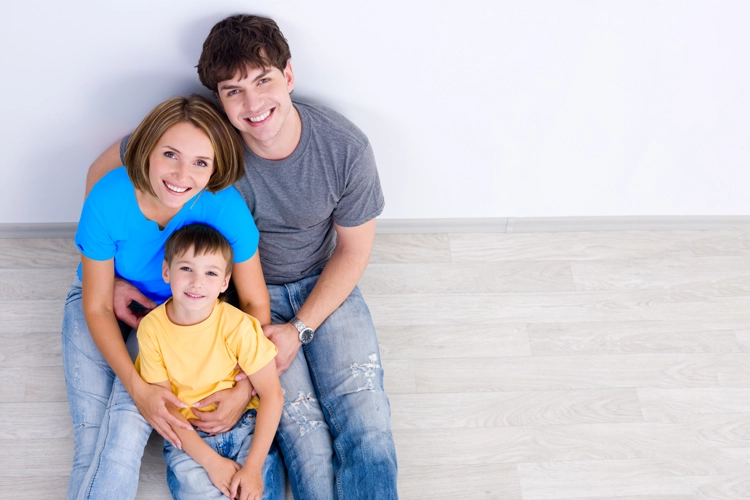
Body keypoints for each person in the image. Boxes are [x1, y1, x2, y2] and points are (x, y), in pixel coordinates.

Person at [87, 14, 399, 499]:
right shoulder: (206, 140)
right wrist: (113, 271)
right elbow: (107, 175)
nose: (253, 104)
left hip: (324, 286)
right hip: (242, 298)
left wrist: (299, 329)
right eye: (233, 90)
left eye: (264, 81)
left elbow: (355, 251)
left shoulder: (344, 148)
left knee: (366, 417)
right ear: (219, 97)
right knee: (301, 426)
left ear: (288, 76)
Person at [64, 94, 282, 500]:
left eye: (201, 162)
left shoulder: (225, 208)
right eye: (170, 154)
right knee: (97, 434)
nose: (183, 174)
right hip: (102, 300)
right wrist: (138, 387)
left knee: (126, 423)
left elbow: (254, 303)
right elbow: (94, 304)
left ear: (215, 168)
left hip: (179, 312)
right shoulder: (108, 198)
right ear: (147, 149)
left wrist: (244, 388)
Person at [137, 223, 283, 500]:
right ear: (166, 271)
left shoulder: (239, 325)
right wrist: (210, 461)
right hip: (188, 439)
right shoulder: (152, 329)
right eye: (186, 269)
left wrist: (252, 468)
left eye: (211, 273)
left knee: (255, 492)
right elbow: (166, 406)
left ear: (224, 282)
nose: (197, 282)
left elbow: (272, 395)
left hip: (245, 427)